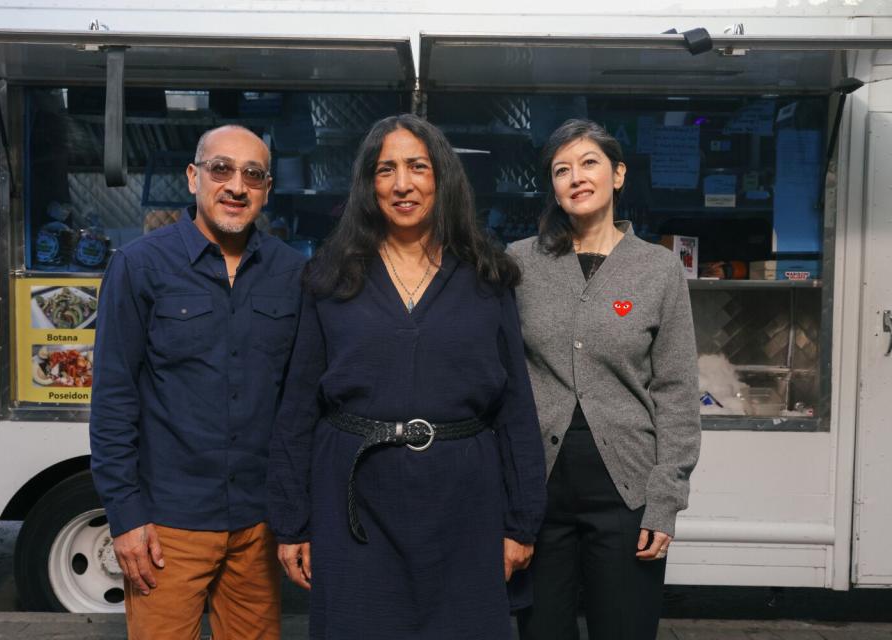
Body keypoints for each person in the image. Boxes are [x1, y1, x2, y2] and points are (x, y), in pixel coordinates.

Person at [267, 113, 547, 639]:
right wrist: (292, 521)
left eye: (417, 167)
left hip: (465, 504)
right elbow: (299, 405)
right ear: (367, 185)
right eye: (385, 169)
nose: (402, 184)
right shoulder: (330, 276)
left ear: (441, 178)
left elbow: (515, 410)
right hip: (354, 501)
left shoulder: (488, 276)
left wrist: (520, 522)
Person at [90, 125, 306, 640]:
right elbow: (114, 401)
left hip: (258, 525)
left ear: (267, 189)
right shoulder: (140, 267)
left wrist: (297, 517)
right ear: (193, 177)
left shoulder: (292, 273)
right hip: (168, 526)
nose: (237, 185)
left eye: (253, 174)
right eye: (221, 169)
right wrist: (125, 516)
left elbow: (299, 407)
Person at [508, 119, 701, 640]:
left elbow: (677, 390)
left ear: (617, 174)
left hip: (627, 488)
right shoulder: (519, 263)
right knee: (541, 630)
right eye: (561, 169)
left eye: (588, 163)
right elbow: (499, 377)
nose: (576, 177)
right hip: (540, 486)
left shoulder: (657, 269)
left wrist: (666, 500)